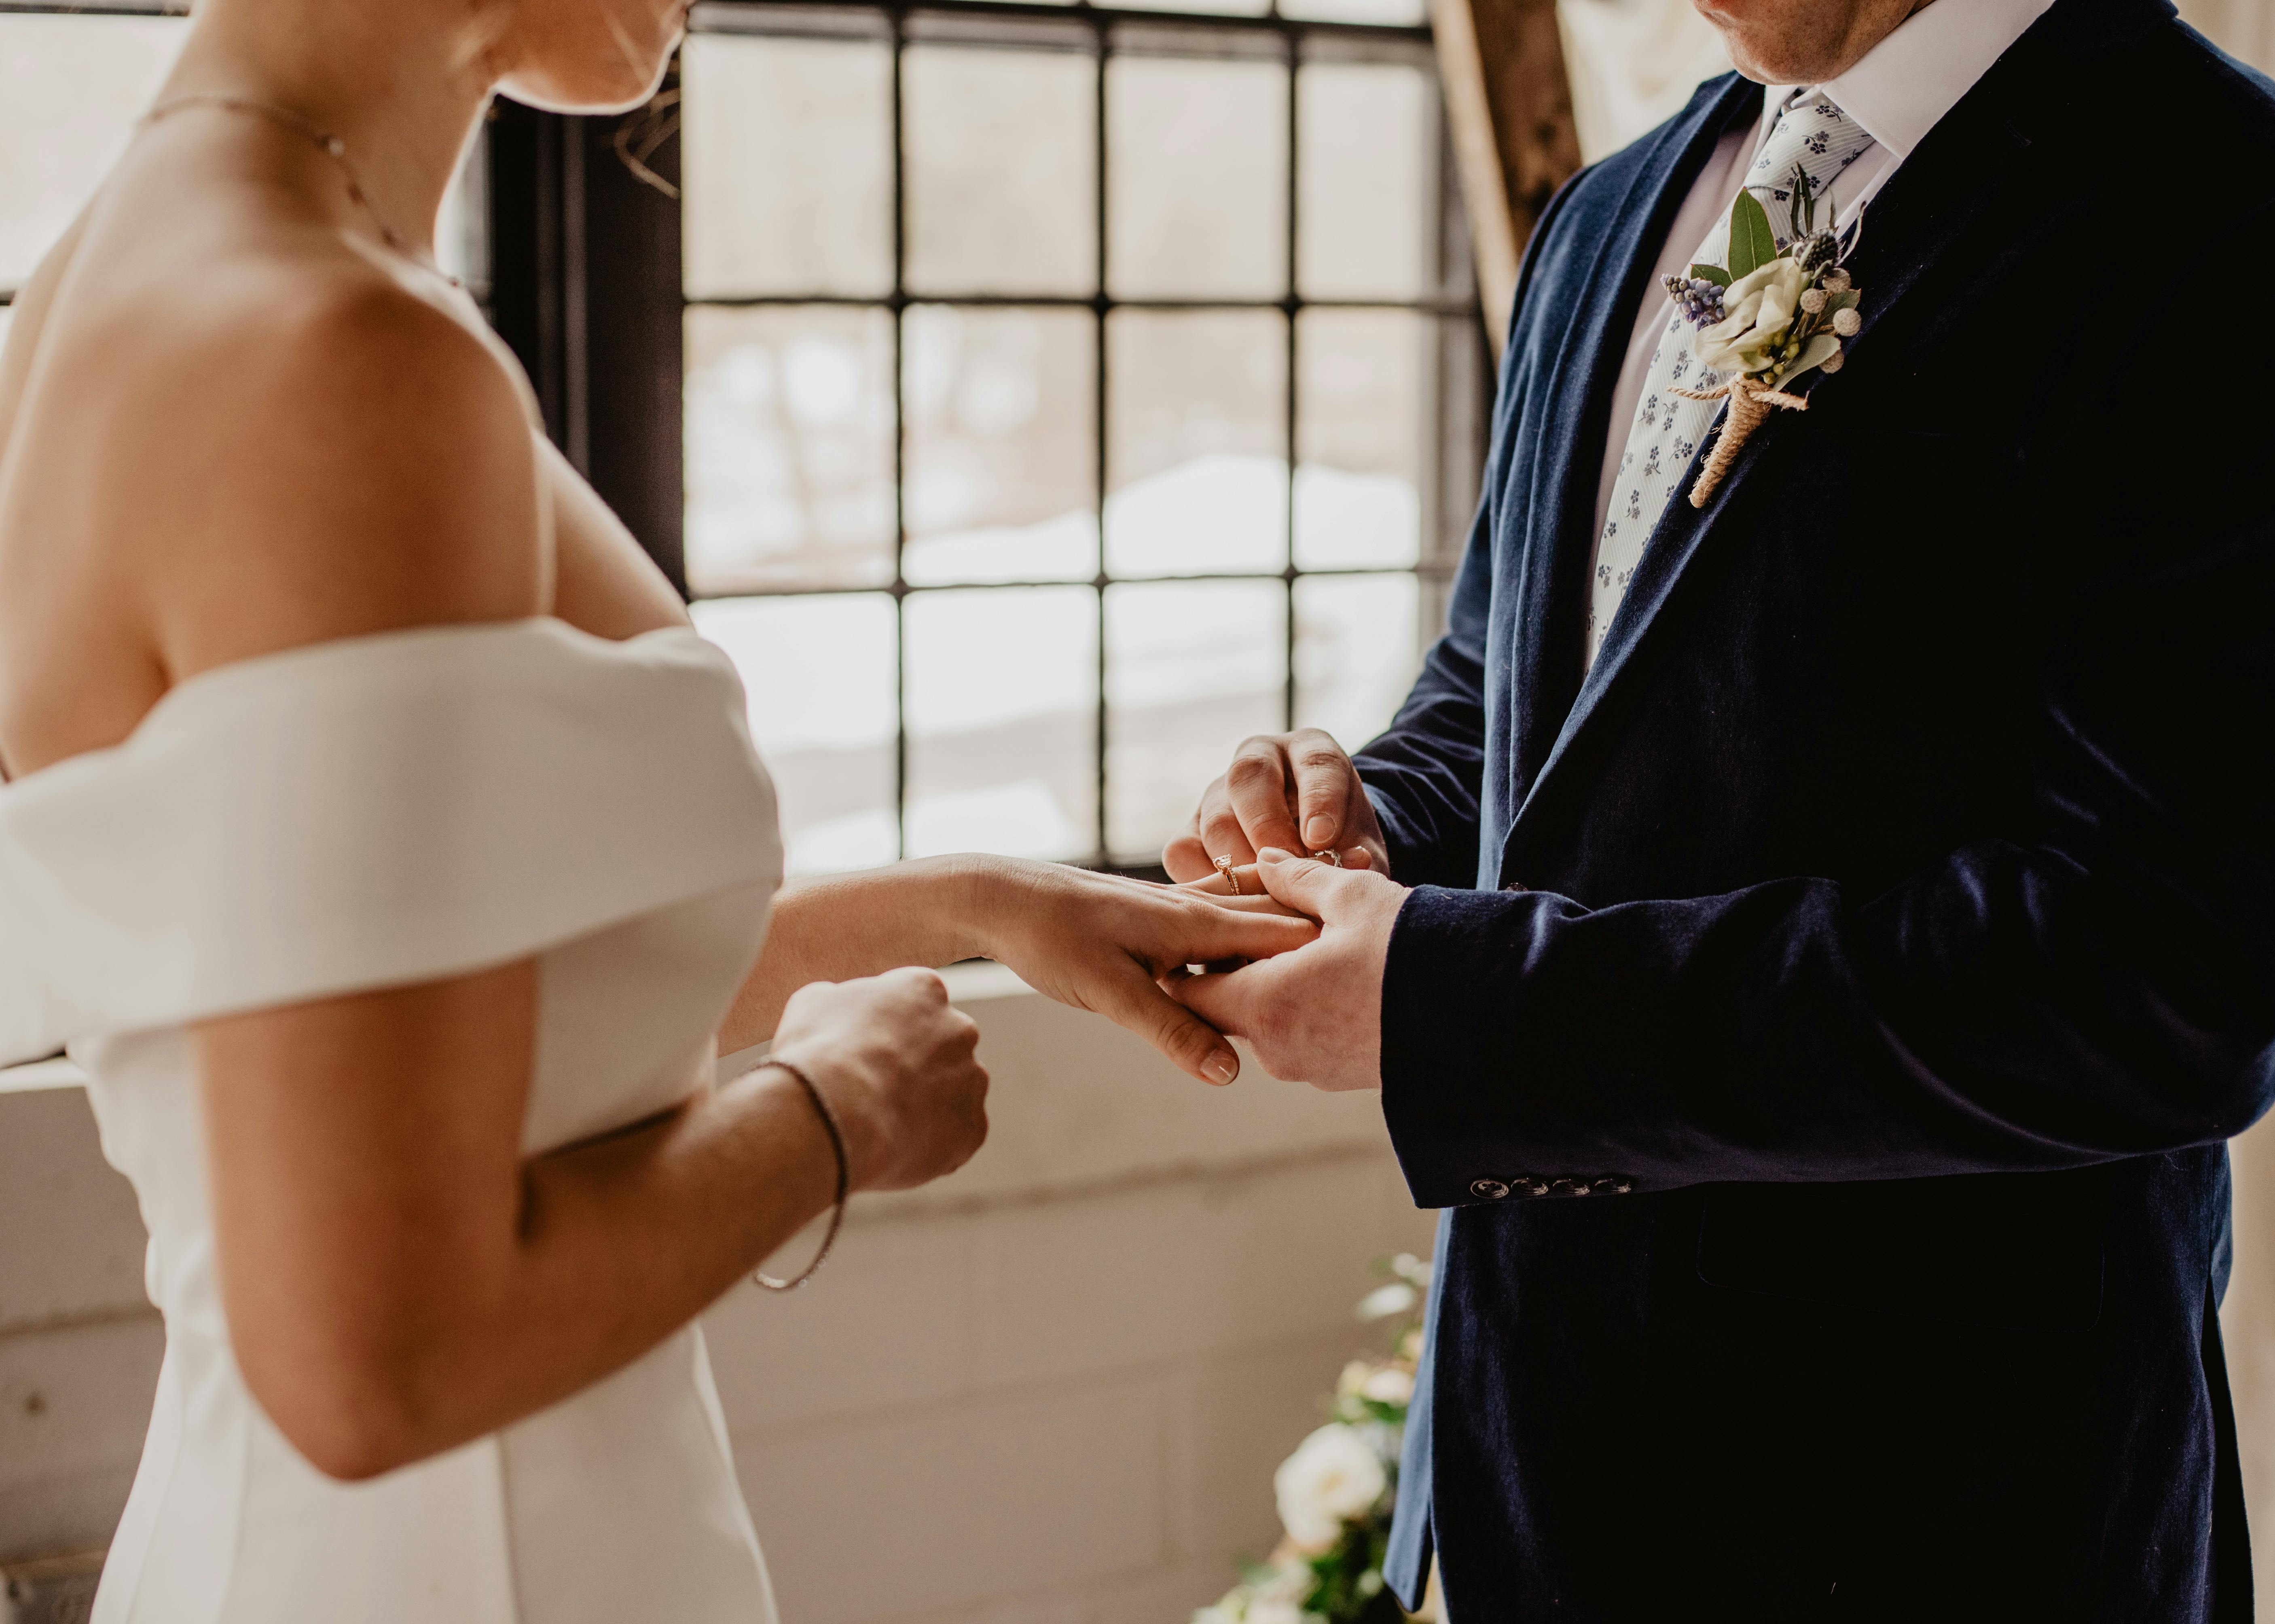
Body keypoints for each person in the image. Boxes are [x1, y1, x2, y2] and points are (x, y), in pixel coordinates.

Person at [0, 1, 1313, 1620]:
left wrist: (976, 906)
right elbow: (375, 1356)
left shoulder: (132, 280)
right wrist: (836, 1112)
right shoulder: (326, 358)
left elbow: (470, 1016)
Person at [1162, 0, 2275, 1613]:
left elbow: (2158, 977)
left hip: (1946, 1510)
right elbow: (1514, 692)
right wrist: (1363, 818)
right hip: (1531, 1469)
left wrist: (1451, 1002)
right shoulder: (1612, 210)